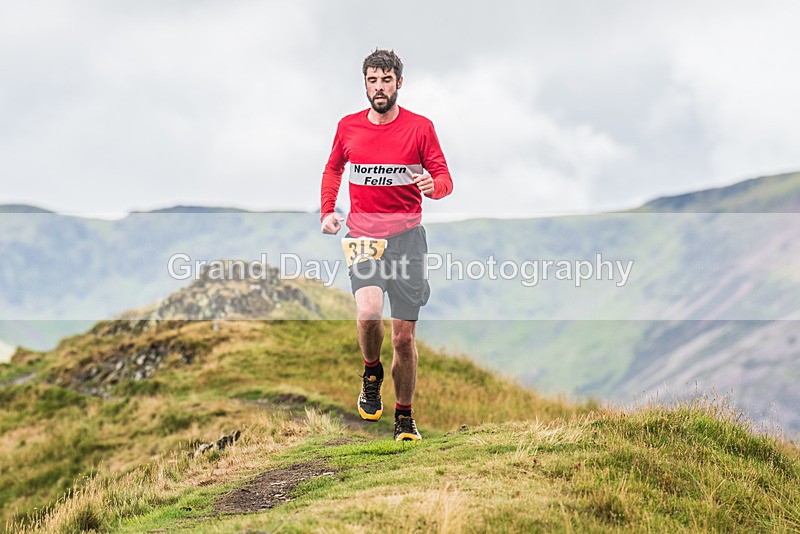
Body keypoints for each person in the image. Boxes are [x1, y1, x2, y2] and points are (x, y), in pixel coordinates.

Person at [320, 49, 453, 441]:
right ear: (365, 83)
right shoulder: (348, 127)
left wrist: (435, 187)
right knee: (367, 314)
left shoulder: (420, 128)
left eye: (386, 80)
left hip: (408, 240)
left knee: (404, 337)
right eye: (372, 81)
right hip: (363, 236)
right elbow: (333, 168)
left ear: (399, 83)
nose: (379, 88)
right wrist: (328, 210)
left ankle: (404, 415)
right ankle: (371, 372)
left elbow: (443, 176)